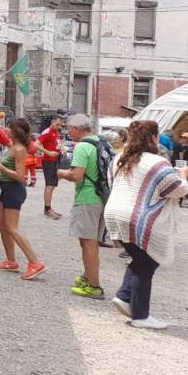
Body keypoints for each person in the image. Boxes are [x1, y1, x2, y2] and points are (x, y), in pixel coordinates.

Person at [105, 120, 188, 330]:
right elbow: (177, 190)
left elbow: (110, 182)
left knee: (140, 259)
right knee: (147, 264)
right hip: (138, 217)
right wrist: (184, 177)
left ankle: (125, 297)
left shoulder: (120, 158)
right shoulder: (157, 162)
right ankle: (140, 315)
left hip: (114, 213)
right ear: (154, 138)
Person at [0, 119, 47, 280]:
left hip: (14, 188)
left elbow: (19, 175)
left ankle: (35, 262)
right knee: (1, 224)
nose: (6, 130)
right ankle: (11, 261)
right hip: (6, 187)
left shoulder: (19, 149)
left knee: (12, 227)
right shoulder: (12, 147)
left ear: (16, 131)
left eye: (9, 128)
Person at [57, 114, 107, 300]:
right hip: (101, 196)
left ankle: (94, 286)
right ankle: (88, 276)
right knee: (91, 241)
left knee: (88, 243)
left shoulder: (82, 147)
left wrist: (61, 173)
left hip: (87, 197)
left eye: (69, 129)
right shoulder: (100, 142)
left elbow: (77, 175)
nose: (68, 133)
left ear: (77, 129)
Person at [38, 116, 64, 220]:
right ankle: (47, 209)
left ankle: (49, 208)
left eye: (60, 125)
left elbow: (55, 144)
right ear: (52, 123)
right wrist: (48, 152)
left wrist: (61, 148)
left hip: (55, 161)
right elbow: (36, 145)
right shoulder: (47, 132)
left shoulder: (56, 132)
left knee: (53, 185)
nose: (59, 127)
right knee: (49, 184)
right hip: (48, 161)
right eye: (57, 124)